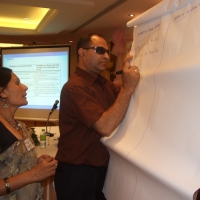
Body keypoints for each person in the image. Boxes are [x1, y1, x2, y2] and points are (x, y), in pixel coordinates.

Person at [54, 33, 140, 200]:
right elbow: (105, 126)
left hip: (99, 170)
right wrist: (127, 88)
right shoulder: (74, 87)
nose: (106, 56)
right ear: (82, 52)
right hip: (77, 175)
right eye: (99, 50)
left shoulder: (103, 83)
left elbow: (123, 105)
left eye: (107, 52)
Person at [0, 66, 58, 199]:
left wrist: (34, 164)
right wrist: (32, 174)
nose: (25, 87)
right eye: (17, 82)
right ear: (3, 93)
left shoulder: (20, 125)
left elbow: (10, 166)